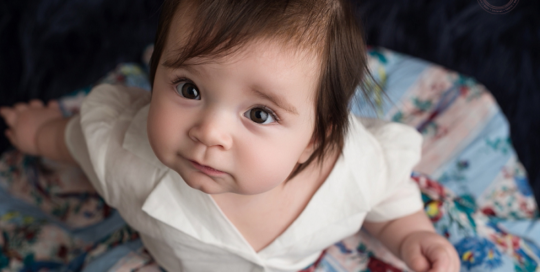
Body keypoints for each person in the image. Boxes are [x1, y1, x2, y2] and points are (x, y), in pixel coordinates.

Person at [0, 0, 460, 271]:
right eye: (189, 88)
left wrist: (409, 233)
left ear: (316, 139)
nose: (210, 131)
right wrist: (39, 132)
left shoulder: (352, 167)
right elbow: (76, 139)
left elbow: (389, 191)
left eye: (259, 114)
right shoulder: (122, 149)